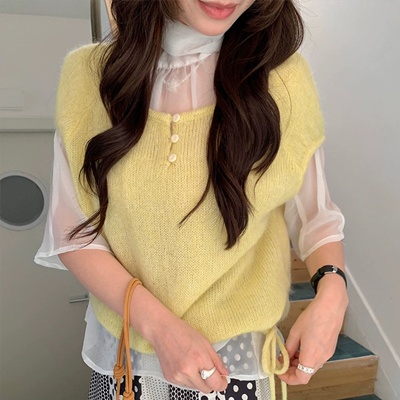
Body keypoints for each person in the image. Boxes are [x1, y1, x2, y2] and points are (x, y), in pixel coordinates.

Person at [35, 1, 349, 399]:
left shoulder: (285, 78)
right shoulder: (87, 76)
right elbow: (73, 231)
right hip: (130, 357)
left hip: (235, 362)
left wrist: (332, 291)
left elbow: (315, 216)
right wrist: (159, 327)